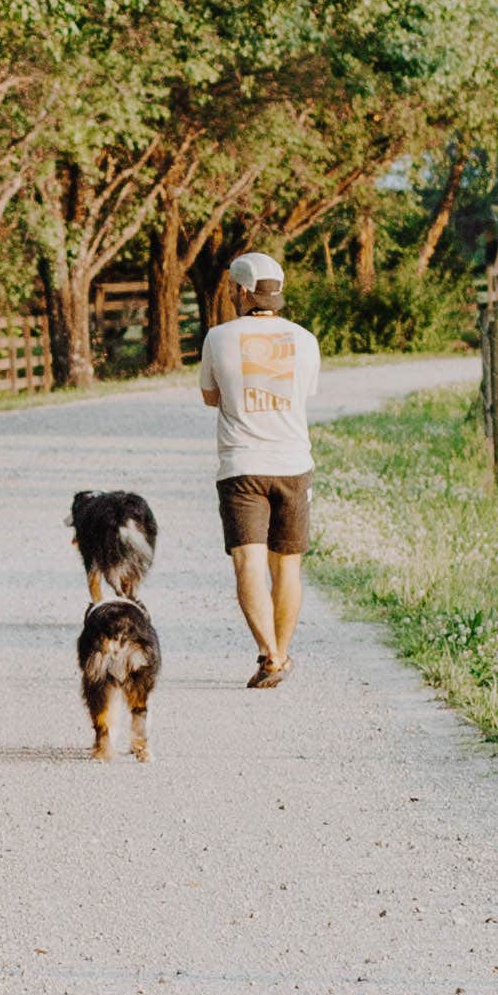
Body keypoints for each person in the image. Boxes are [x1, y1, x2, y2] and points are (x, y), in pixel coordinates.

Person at [196, 249, 321, 687]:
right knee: (287, 566)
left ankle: (270, 655)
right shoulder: (305, 340)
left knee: (248, 563)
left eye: (233, 287)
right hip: (292, 464)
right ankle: (280, 654)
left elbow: (211, 397)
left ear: (243, 291)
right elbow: (305, 393)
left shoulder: (218, 337)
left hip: (241, 465)